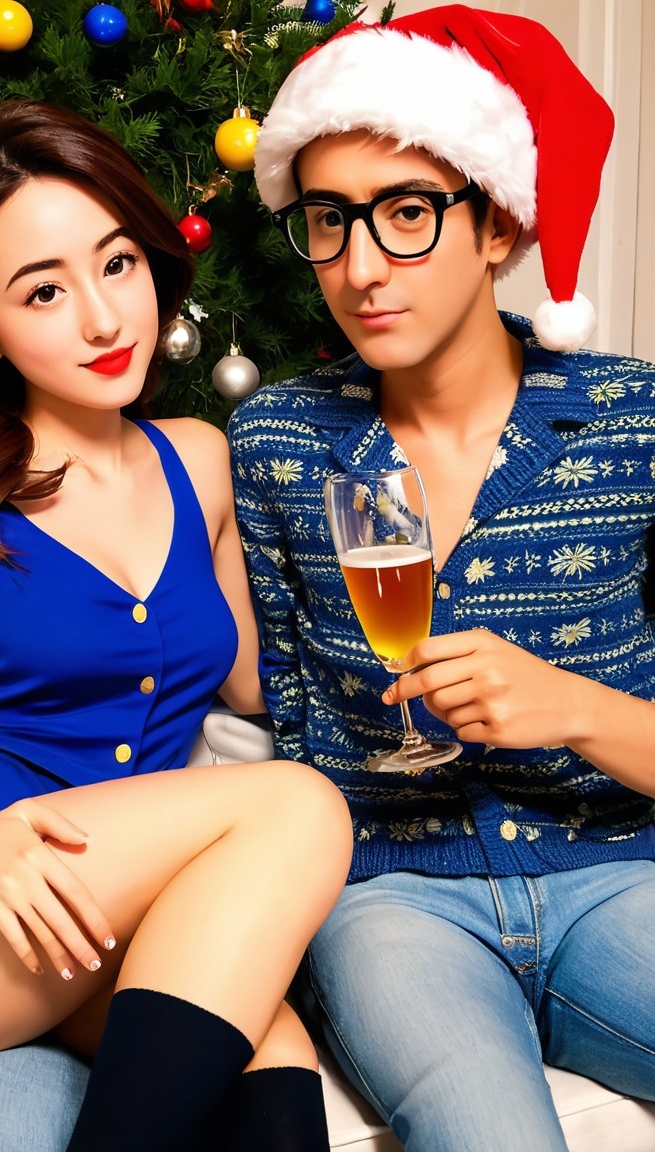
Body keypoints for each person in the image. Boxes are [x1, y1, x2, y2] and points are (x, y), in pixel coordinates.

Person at [0, 100, 353, 1151]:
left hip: (97, 911)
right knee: (299, 804)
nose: (103, 318)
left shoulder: (200, 460)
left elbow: (251, 687)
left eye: (118, 264)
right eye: (43, 291)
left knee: (272, 1042)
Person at [225, 5, 655, 1150]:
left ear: (498, 223)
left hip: (619, 874)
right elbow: (291, 736)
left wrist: (574, 708)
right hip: (392, 904)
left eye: (407, 213)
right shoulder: (278, 441)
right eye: (330, 220)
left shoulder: (635, 422)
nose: (361, 268)